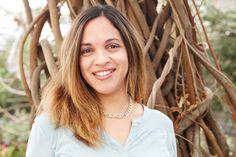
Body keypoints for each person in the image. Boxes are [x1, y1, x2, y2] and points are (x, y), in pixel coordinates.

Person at [26, 4, 177, 157]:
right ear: (75, 61)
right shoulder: (51, 126)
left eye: (112, 46)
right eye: (87, 51)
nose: (101, 60)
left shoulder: (161, 126)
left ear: (130, 52)